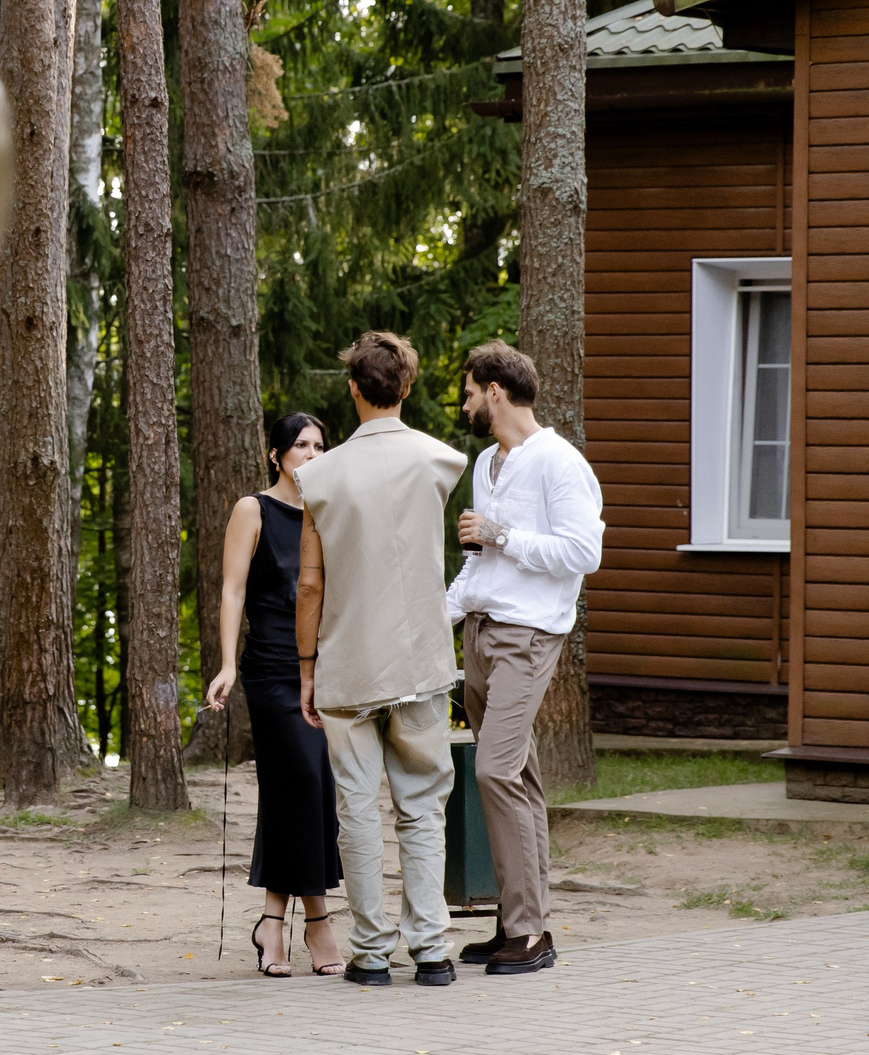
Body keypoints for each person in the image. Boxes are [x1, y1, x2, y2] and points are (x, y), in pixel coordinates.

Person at [291, 331, 469, 989]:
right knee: (423, 805)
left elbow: (310, 584)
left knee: (359, 807)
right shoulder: (440, 460)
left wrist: (306, 665)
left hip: (348, 660)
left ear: (353, 390)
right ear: (408, 386)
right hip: (421, 657)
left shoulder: (321, 473)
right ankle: (430, 948)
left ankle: (369, 953)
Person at [444, 339, 605, 977]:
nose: (462, 402)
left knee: (493, 773)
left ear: (495, 391)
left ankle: (529, 933)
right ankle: (521, 924)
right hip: (481, 632)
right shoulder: (487, 462)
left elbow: (581, 554)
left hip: (528, 638)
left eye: (467, 390)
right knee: (520, 780)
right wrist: (441, 617)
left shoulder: (560, 462)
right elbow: (479, 565)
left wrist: (500, 533)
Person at [206, 412, 347, 977]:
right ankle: (318, 923)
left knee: (302, 793)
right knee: (304, 785)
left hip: (323, 672)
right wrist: (225, 664)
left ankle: (271, 923)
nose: (310, 455)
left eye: (319, 446)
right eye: (299, 446)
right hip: (269, 670)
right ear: (276, 455)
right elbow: (232, 588)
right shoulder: (253, 509)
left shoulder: (330, 514)